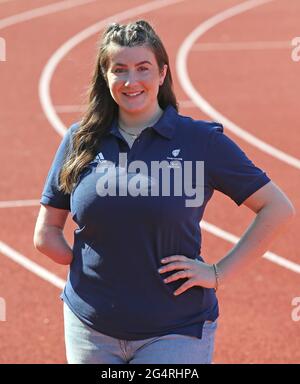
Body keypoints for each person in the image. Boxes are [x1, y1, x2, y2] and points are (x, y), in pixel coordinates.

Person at [33, 20, 295, 364]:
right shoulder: (80, 140)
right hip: (90, 327)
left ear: (162, 74)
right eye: (119, 70)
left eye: (143, 68)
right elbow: (46, 232)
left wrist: (218, 273)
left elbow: (277, 208)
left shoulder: (200, 141)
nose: (131, 81)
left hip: (175, 330)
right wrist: (89, 264)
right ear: (105, 76)